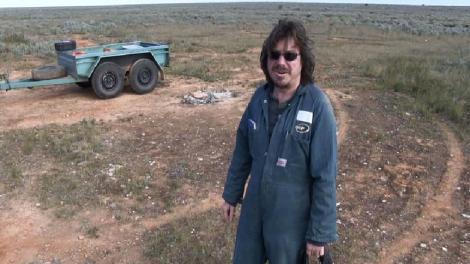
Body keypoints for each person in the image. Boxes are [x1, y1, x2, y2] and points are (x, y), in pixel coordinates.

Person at [221, 19, 338, 264]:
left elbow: (325, 176)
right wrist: (232, 194)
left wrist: (318, 235)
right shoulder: (258, 99)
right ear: (266, 59)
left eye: (290, 55)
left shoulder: (317, 106)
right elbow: (242, 150)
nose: (281, 62)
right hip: (254, 210)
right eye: (274, 54)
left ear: (302, 60)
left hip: (291, 219)